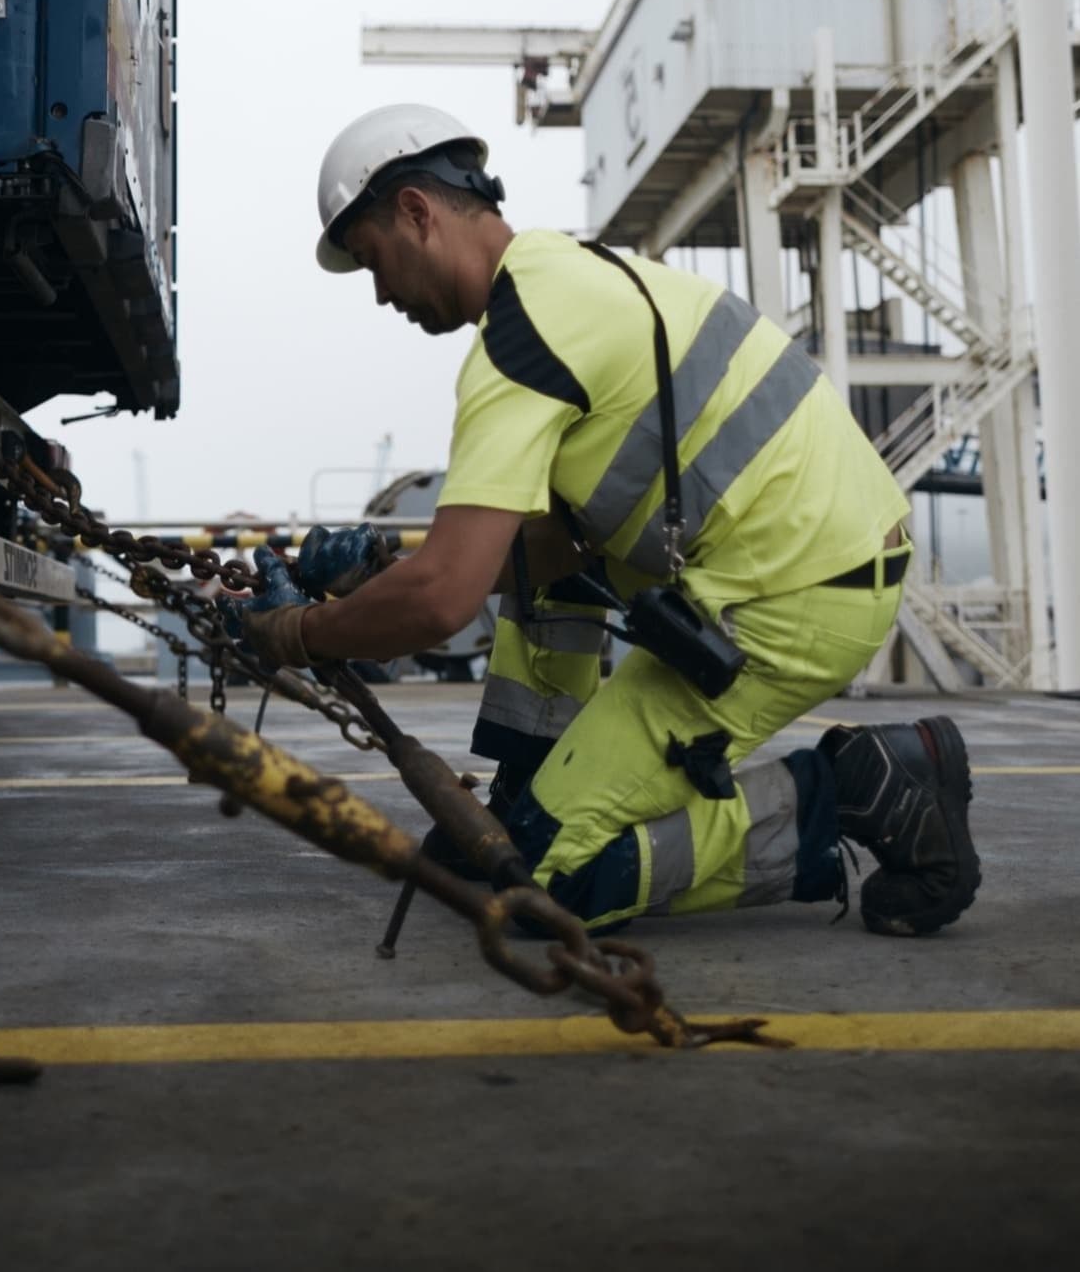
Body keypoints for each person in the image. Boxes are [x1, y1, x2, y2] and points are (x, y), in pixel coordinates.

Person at [226, 103, 979, 937]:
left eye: (373, 262)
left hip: (787, 600)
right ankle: (535, 776)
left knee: (538, 879)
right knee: (552, 579)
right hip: (813, 558)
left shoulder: (519, 341)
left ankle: (856, 787)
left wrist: (296, 632)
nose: (379, 295)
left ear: (415, 211)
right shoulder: (565, 274)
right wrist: (377, 574)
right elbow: (544, 549)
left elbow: (444, 599)